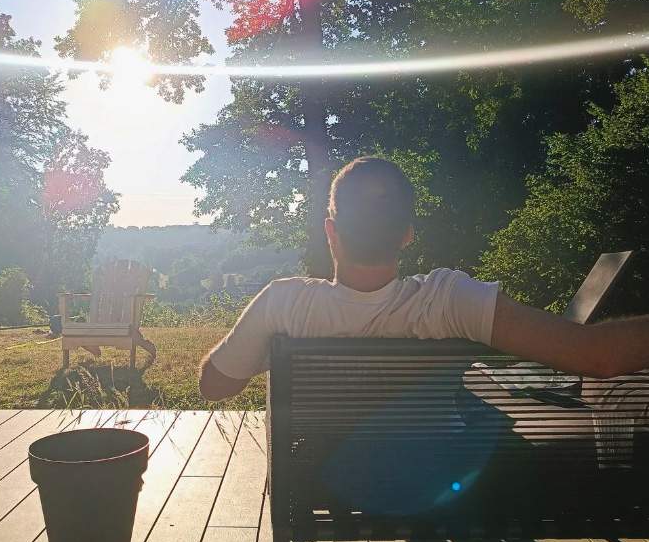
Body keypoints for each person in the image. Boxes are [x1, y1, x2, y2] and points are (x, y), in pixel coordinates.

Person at [199, 156, 648, 401]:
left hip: (315, 485)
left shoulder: (283, 303)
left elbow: (214, 386)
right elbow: (597, 356)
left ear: (330, 232)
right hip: (431, 491)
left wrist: (259, 352)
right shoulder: (450, 301)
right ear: (407, 234)